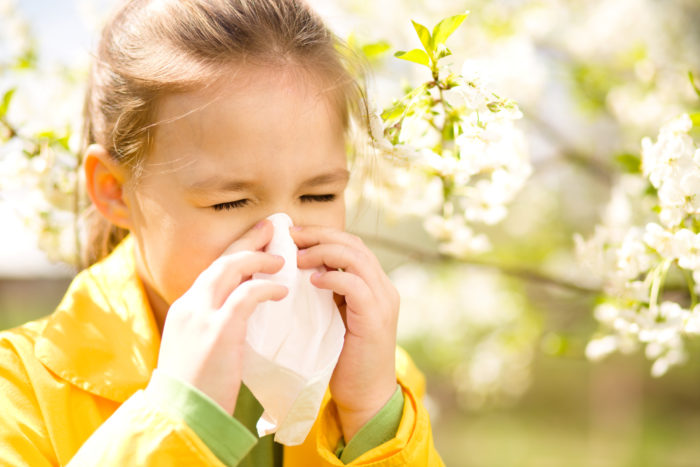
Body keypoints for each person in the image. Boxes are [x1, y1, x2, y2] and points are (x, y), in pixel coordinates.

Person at [0, 0, 443, 465]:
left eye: (319, 195)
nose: (283, 241)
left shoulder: (379, 380)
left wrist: (373, 420)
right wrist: (180, 419)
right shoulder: (21, 391)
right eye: (228, 202)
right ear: (114, 191)